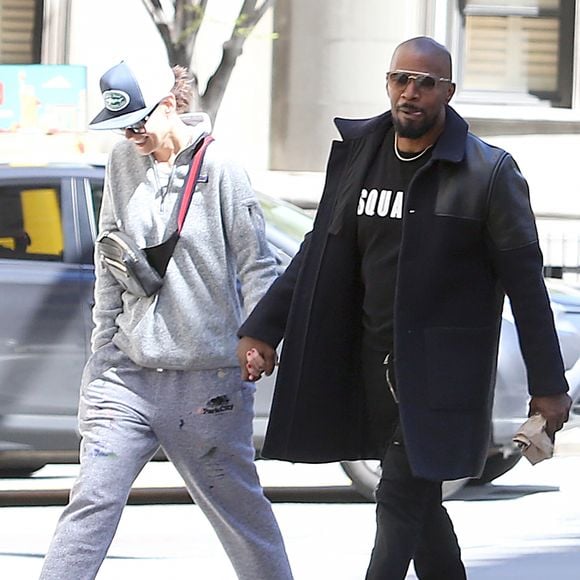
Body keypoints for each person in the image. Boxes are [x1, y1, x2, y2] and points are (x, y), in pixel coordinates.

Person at [237, 36, 572, 579]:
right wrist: (263, 329)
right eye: (400, 80)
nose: (409, 93)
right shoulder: (361, 153)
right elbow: (316, 249)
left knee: (397, 500)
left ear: (448, 92)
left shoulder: (487, 174)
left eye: (425, 83)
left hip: (443, 379)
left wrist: (548, 386)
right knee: (420, 508)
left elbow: (526, 286)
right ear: (388, 84)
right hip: (371, 367)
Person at [40, 59, 293, 580]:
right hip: (127, 374)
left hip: (207, 383)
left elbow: (256, 263)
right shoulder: (121, 161)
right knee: (90, 504)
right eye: (121, 124)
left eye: (138, 120)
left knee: (240, 516)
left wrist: (261, 338)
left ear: (171, 102)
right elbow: (109, 261)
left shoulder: (221, 169)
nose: (130, 133)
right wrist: (101, 356)